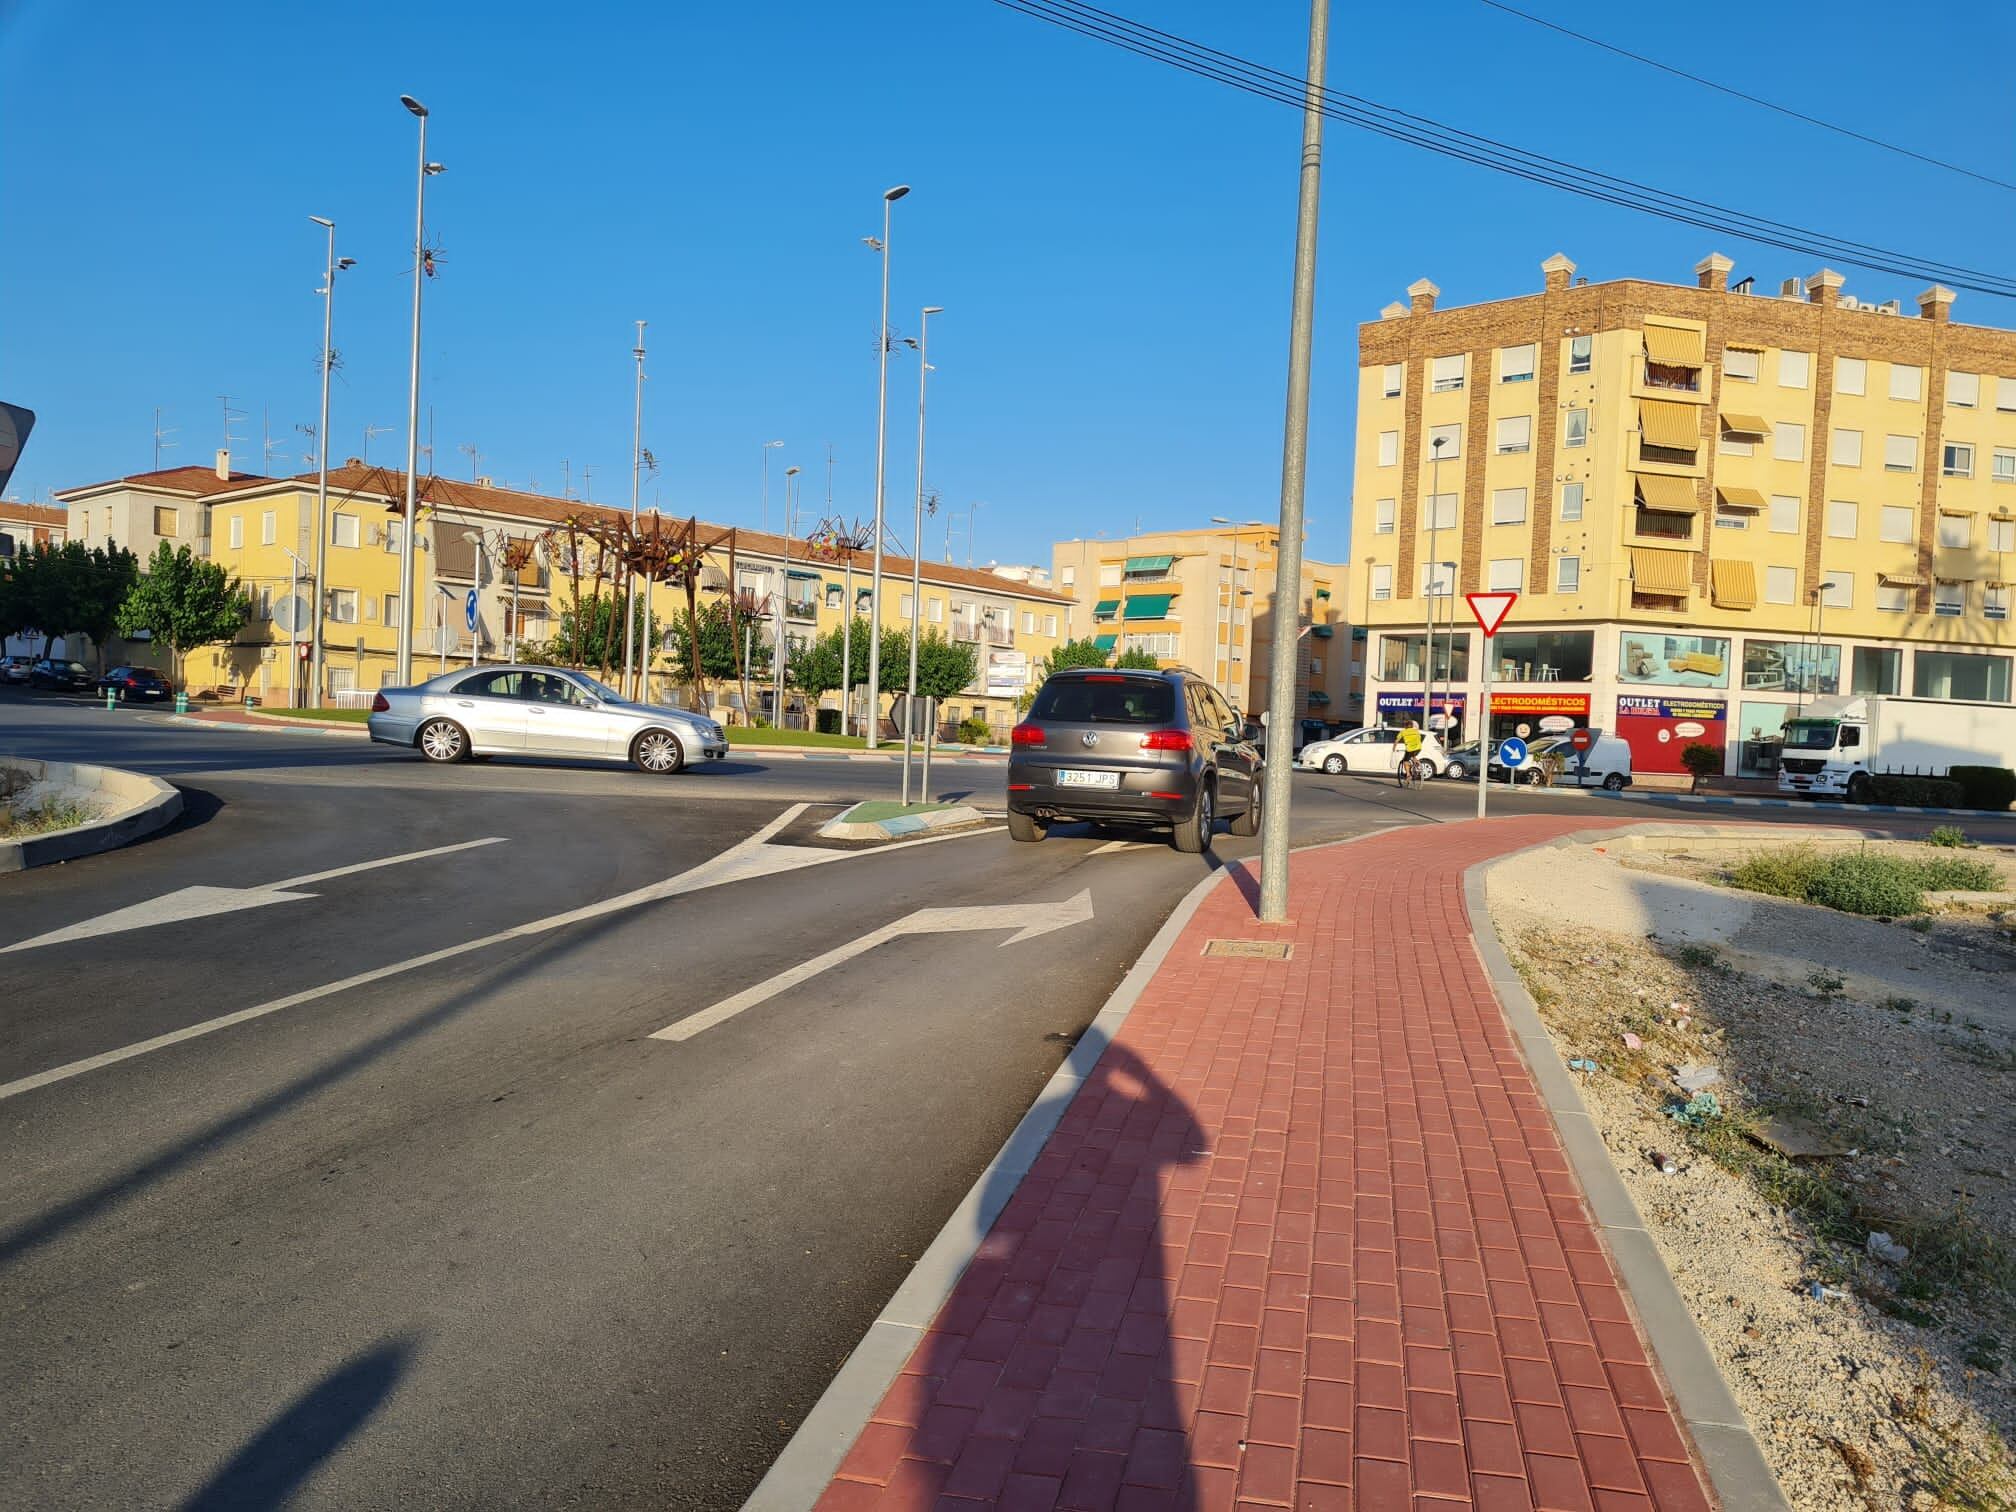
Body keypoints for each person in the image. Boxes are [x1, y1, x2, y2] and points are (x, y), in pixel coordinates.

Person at [1396, 718, 1426, 785]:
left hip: (1409, 749)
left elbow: (1397, 740)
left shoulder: (1403, 732)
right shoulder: (1416, 731)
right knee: (1413, 756)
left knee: (1405, 761)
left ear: (1405, 726)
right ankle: (1417, 764)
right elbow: (1419, 738)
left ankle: (1408, 775)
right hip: (1418, 748)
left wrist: (1394, 748)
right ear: (1412, 726)